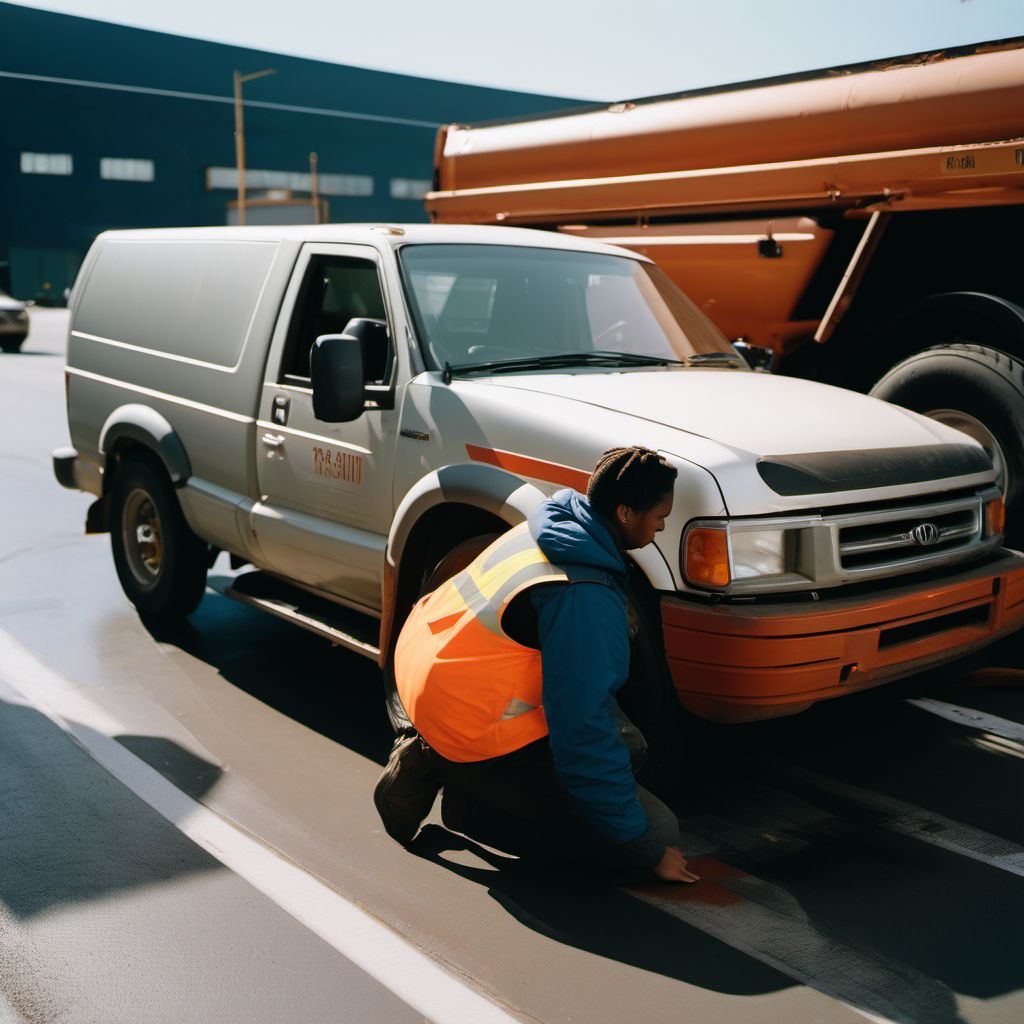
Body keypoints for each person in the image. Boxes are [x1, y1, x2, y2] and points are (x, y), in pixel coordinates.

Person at [374, 446, 699, 883]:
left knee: (627, 744)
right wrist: (644, 851)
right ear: (624, 512)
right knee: (658, 829)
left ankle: (446, 757)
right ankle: (470, 801)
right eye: (659, 517)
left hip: (430, 676)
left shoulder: (551, 527)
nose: (661, 527)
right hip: (465, 717)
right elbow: (581, 732)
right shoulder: (580, 593)